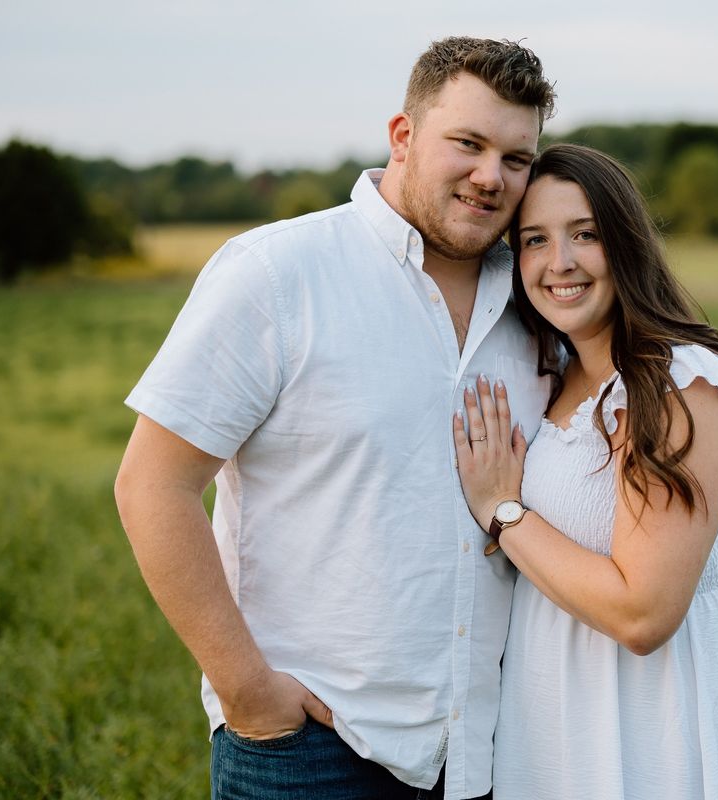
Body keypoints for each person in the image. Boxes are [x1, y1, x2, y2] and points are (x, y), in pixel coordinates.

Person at [113, 37, 556, 799]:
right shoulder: (278, 273)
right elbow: (153, 485)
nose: (491, 177)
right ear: (404, 136)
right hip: (309, 746)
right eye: (468, 144)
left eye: (516, 159)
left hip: (487, 750)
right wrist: (247, 692)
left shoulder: (538, 299)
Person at [454, 143, 718, 799]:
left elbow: (643, 613)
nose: (560, 263)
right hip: (555, 707)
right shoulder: (555, 371)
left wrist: (504, 510)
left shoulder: (679, 385)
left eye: (586, 235)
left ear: (628, 243)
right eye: (534, 240)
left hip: (657, 716)